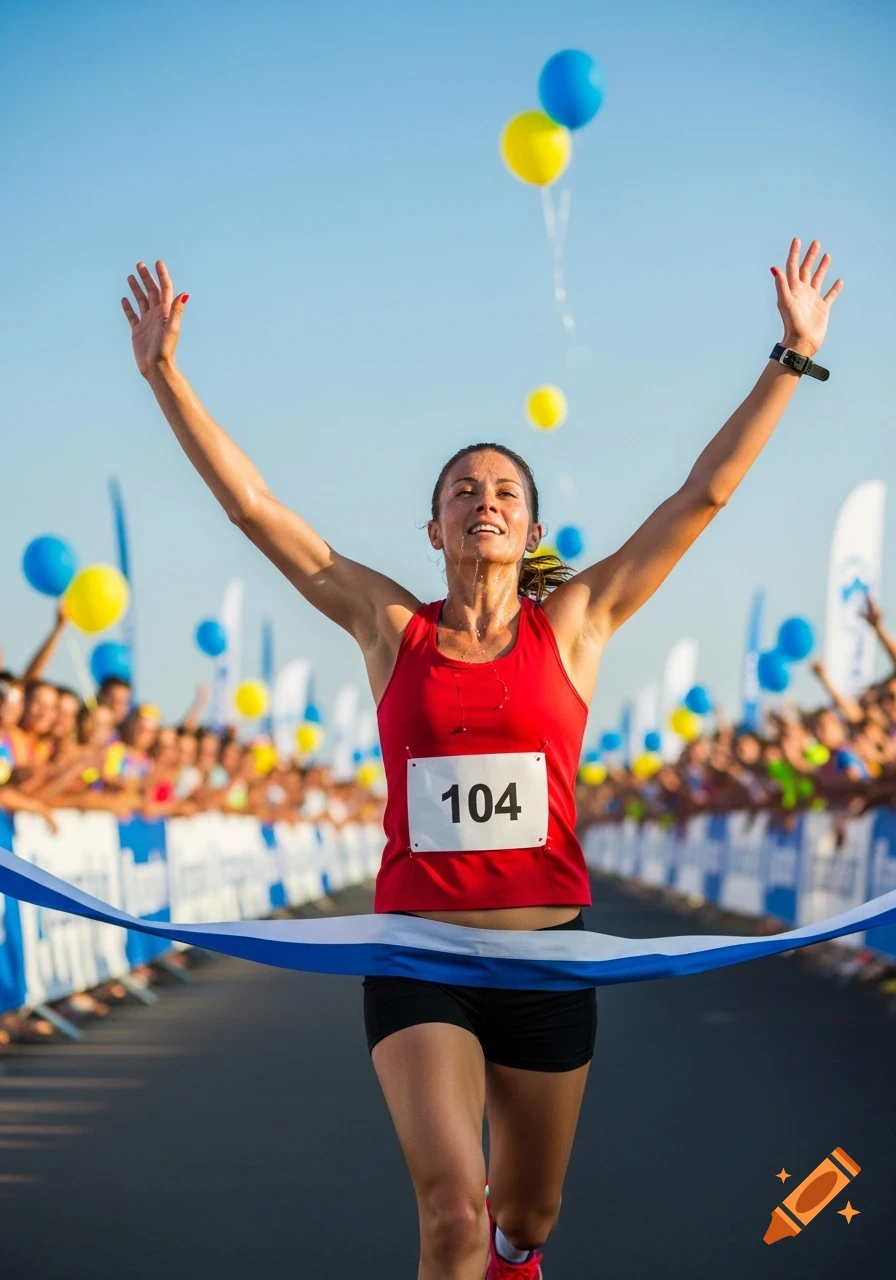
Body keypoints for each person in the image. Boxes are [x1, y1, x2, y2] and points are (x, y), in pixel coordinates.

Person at [122, 239, 842, 1279]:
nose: (484, 498)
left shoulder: (579, 621)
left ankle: (518, 1251)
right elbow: (256, 510)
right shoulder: (387, 626)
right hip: (417, 954)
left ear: (531, 526)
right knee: (452, 1213)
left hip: (546, 954)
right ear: (434, 525)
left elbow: (699, 497)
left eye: (504, 488)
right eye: (463, 488)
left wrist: (789, 357)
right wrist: (163, 375)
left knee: (526, 1213)